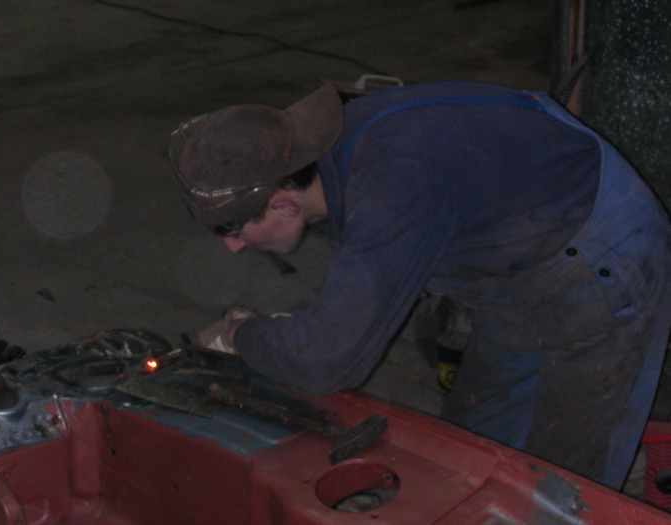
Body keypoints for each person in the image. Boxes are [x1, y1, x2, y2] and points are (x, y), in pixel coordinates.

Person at [168, 81, 671, 489]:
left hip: (604, 253)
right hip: (521, 253)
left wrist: (240, 337)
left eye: (233, 230)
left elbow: (328, 361)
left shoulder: (391, 184)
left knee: (570, 480)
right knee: (472, 445)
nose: (231, 247)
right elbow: (350, 300)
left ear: (282, 203)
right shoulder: (336, 158)